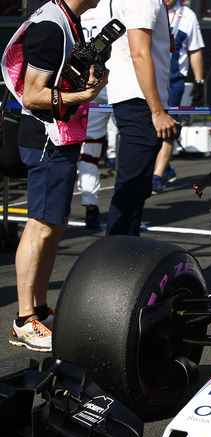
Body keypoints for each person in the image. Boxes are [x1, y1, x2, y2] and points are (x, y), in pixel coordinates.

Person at [1, 0, 107, 351]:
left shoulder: (65, 19)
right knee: (41, 225)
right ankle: (24, 320)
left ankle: (40, 310)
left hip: (59, 136)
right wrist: (84, 94)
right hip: (47, 137)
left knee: (54, 224)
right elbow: (32, 95)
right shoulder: (51, 25)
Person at [106, 0, 177, 235]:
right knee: (131, 191)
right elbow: (139, 53)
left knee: (134, 189)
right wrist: (157, 111)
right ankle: (116, 260)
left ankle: (123, 257)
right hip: (140, 101)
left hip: (134, 99)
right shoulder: (143, 0)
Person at [151, 0, 205, 194]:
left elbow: (195, 50)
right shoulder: (147, 7)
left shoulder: (187, 15)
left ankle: (157, 176)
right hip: (148, 80)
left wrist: (199, 81)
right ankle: (160, 166)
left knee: (169, 129)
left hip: (174, 82)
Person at [78, 0, 112, 230]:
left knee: (86, 150)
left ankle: (91, 206)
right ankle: (92, 207)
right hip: (107, 85)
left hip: (82, 83)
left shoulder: (74, 10)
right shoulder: (112, 7)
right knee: (89, 150)